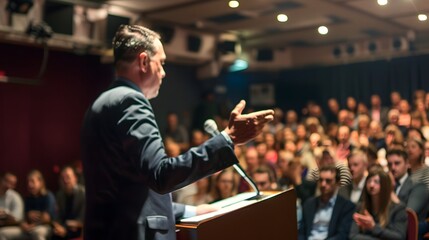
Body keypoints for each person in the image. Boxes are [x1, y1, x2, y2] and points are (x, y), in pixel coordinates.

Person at [80, 24, 274, 240]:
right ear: (144, 61)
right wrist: (228, 138)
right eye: (161, 63)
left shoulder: (102, 102)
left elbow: (128, 190)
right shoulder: (130, 101)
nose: (163, 73)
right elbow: (160, 175)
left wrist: (190, 211)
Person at [349, 166, 407, 240]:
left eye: (376, 182)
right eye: (369, 181)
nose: (371, 185)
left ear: (384, 186)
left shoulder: (398, 209)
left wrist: (373, 227)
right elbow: (353, 236)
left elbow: (399, 237)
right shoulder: (360, 207)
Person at [298, 165, 355, 240]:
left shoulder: (346, 206)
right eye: (321, 180)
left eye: (328, 181)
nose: (323, 184)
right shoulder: (309, 204)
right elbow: (301, 232)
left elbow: (342, 235)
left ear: (337, 183)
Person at [386, 149, 429, 222]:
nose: (393, 168)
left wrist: (390, 191)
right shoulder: (386, 184)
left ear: (407, 164)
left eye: (397, 163)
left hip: (410, 231)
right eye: (390, 164)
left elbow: (407, 215)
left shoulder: (419, 186)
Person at [51, 166, 85, 240]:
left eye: (68, 177)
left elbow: (82, 219)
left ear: (75, 178)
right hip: (63, 227)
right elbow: (58, 215)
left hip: (77, 228)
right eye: (63, 178)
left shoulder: (83, 194)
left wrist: (65, 228)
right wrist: (58, 226)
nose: (65, 180)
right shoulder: (59, 195)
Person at [0, 172, 24, 239]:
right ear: (1, 180)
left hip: (11, 227)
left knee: (1, 233)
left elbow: (17, 220)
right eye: (6, 181)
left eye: (12, 184)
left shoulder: (15, 197)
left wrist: (6, 216)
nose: (8, 186)